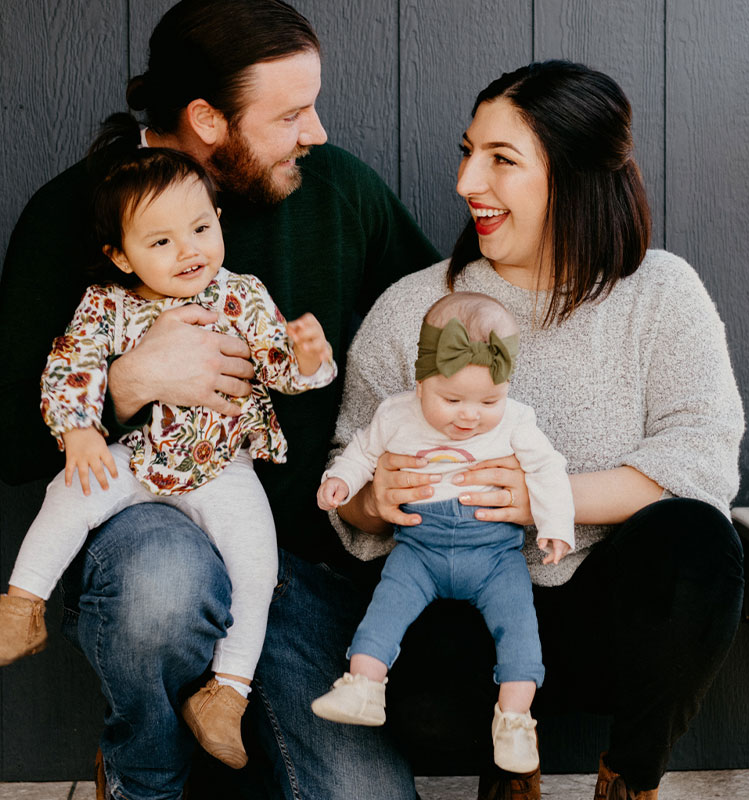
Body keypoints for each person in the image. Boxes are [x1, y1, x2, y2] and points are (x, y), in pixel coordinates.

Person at [0, 1, 438, 797]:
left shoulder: (336, 190)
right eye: (292, 113)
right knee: (162, 587)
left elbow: (436, 324)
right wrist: (129, 382)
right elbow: (5, 438)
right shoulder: (75, 214)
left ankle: (230, 720)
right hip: (149, 537)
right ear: (207, 119)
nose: (318, 132)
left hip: (299, 560)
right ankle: (144, 774)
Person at [328, 60, 746, 800]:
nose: (466, 183)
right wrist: (370, 496)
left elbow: (700, 457)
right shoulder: (416, 307)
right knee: (405, 651)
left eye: (501, 160)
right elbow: (347, 481)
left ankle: (632, 778)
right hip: (460, 607)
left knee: (698, 543)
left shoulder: (660, 293)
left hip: (605, 611)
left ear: (576, 177)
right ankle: (509, 769)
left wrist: (539, 497)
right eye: (468, 152)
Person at [1, 144, 337, 770]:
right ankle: (22, 606)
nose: (190, 252)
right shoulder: (107, 306)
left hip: (220, 463)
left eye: (202, 228)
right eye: (160, 242)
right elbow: (69, 364)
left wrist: (310, 359)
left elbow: (280, 372)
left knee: (256, 564)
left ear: (218, 219)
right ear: (120, 255)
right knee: (69, 493)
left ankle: (225, 695)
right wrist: (79, 429)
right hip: (132, 454)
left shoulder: (242, 297)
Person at [312, 291, 573, 775]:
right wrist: (341, 482)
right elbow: (361, 454)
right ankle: (364, 686)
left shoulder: (516, 421)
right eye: (452, 399)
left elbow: (547, 469)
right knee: (384, 611)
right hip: (419, 550)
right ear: (420, 381)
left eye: (488, 399)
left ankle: (515, 720)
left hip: (495, 556)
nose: (470, 415)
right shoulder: (395, 414)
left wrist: (556, 526)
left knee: (518, 629)